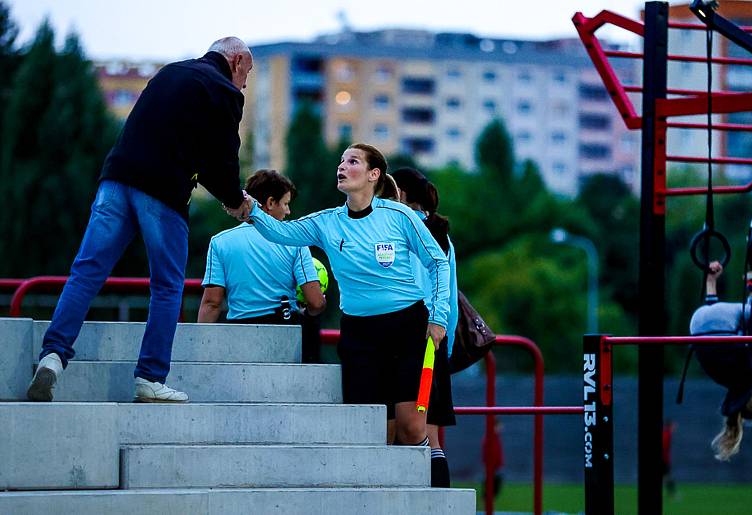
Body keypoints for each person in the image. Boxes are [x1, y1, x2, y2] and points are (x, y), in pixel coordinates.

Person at [27, 37, 255, 403]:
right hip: (162, 192)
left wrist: (228, 194)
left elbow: (189, 151)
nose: (245, 82)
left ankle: (52, 356)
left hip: (116, 180)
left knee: (86, 271)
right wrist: (236, 202)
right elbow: (223, 158)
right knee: (166, 286)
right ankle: (149, 377)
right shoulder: (224, 91)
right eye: (248, 73)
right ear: (238, 59)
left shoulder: (170, 73)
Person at [233, 143, 450, 450]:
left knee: (412, 427)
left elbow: (437, 263)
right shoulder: (328, 221)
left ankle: (427, 488)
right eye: (341, 161)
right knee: (373, 429)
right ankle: (379, 494)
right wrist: (250, 208)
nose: (342, 166)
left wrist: (439, 317)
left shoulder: (400, 215)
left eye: (353, 161)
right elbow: (282, 233)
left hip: (406, 326)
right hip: (360, 331)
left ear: (374, 174)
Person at [197, 170, 326, 361]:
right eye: (286, 204)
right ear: (271, 203)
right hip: (284, 333)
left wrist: (200, 350)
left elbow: (211, 303)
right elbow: (315, 302)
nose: (288, 211)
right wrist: (312, 308)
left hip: (237, 335)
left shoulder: (220, 242)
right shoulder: (295, 241)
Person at [689, 227, 752, 460]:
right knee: (742, 329)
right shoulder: (727, 378)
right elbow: (710, 338)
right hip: (697, 323)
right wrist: (711, 281)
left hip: (718, 323)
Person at [391, 167, 458, 488]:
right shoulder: (442, 235)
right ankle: (440, 505)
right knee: (430, 435)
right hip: (436, 341)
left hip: (404, 337)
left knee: (398, 432)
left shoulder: (398, 231)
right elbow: (451, 301)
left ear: (401, 195)